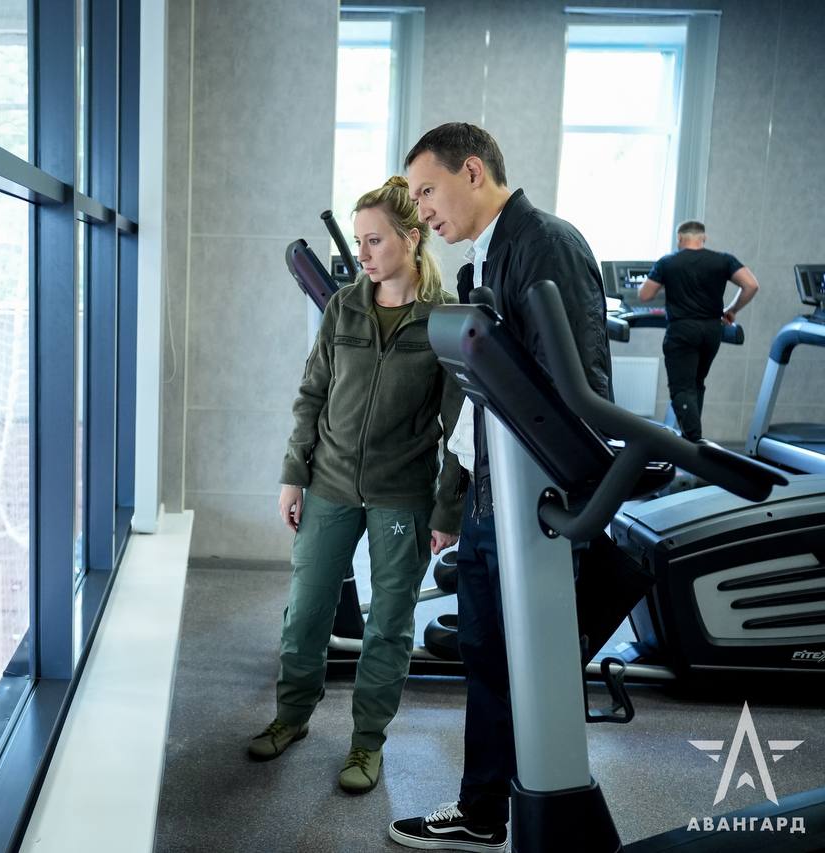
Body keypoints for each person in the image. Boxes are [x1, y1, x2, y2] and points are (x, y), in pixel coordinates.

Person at [388, 123, 612, 851]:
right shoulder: (481, 259)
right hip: (496, 496)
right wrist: (457, 501)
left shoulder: (546, 244)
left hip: (536, 503)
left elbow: (575, 390)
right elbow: (482, 398)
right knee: (486, 655)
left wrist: (559, 501)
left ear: (473, 172)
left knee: (527, 661)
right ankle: (483, 810)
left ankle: (536, 805)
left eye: (428, 190)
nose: (421, 209)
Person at [248, 175, 466, 795]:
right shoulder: (344, 306)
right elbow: (312, 394)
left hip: (403, 495)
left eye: (375, 241)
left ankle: (367, 741)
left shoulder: (444, 320)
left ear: (412, 239)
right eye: (360, 241)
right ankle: (291, 716)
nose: (363, 254)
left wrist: (447, 510)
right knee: (306, 612)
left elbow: (460, 428)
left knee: (389, 624)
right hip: (330, 483)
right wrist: (294, 473)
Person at [638, 221, 760, 441]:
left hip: (682, 330)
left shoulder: (668, 262)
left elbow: (645, 295)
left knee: (681, 389)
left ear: (679, 238)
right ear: (703, 238)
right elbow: (751, 285)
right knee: (696, 385)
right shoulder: (723, 260)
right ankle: (691, 442)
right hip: (712, 331)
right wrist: (732, 310)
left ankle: (694, 441)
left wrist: (667, 283)